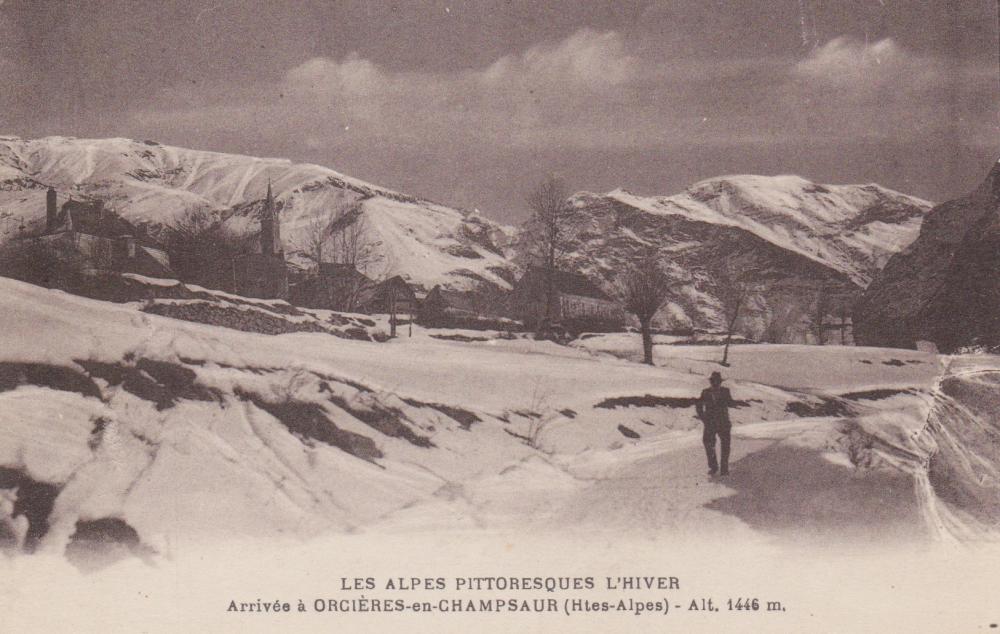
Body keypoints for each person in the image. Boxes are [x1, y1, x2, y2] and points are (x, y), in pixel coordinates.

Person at [695, 371, 733, 476]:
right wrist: (703, 418)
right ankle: (713, 466)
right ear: (711, 382)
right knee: (708, 444)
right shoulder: (705, 392)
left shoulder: (726, 391)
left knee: (725, 445)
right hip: (710, 424)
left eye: (717, 381)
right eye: (713, 381)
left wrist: (726, 402)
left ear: (720, 382)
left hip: (724, 423)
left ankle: (724, 468)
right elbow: (699, 405)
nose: (715, 383)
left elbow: (730, 403)